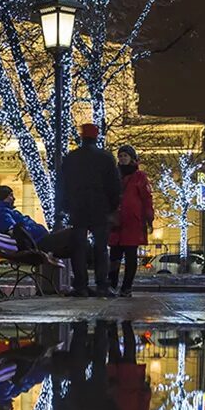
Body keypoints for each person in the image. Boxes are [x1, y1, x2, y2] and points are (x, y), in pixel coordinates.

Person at [59, 123, 122, 297]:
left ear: (82, 137)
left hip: (78, 209)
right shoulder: (106, 158)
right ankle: (102, 285)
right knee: (100, 248)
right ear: (96, 137)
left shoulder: (71, 157)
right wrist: (113, 206)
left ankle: (81, 286)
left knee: (78, 248)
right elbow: (114, 186)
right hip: (100, 209)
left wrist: (65, 206)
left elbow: (62, 185)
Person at [109, 145, 154, 298]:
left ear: (132, 158)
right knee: (114, 256)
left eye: (125, 156)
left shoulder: (140, 176)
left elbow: (147, 198)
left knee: (130, 256)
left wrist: (149, 217)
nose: (122, 159)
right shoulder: (114, 175)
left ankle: (126, 287)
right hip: (116, 222)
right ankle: (112, 284)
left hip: (132, 223)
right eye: (120, 156)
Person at [0, 186, 73, 256]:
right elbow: (14, 230)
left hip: (35, 242)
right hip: (36, 243)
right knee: (75, 233)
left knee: (77, 242)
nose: (14, 198)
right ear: (4, 197)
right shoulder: (1, 211)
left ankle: (81, 267)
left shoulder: (2, 210)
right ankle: (81, 270)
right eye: (11, 195)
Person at [108, 321, 151, 410]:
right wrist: (145, 391)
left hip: (115, 387)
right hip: (130, 387)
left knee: (113, 353)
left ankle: (112, 327)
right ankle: (126, 326)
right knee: (129, 353)